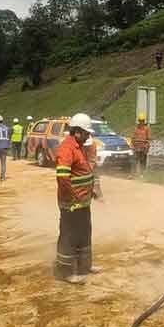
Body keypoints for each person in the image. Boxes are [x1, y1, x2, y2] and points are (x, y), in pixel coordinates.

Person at [54, 113, 102, 284]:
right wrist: (71, 199)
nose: (89, 136)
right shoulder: (67, 148)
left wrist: (92, 190)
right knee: (69, 236)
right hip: (72, 204)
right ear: (78, 132)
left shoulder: (79, 146)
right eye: (87, 133)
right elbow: (63, 177)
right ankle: (65, 272)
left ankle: (84, 266)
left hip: (83, 202)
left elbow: (84, 171)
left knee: (84, 234)